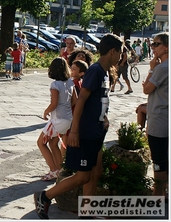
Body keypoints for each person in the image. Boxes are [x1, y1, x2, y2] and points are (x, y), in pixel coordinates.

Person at [33, 34, 123, 219]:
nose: (121, 56)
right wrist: (74, 130)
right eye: (120, 52)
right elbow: (81, 100)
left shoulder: (105, 72)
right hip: (86, 131)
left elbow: (99, 100)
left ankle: (87, 212)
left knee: (96, 171)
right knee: (83, 175)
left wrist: (103, 117)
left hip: (97, 130)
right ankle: (45, 196)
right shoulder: (96, 71)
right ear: (113, 51)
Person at [37, 57, 77, 181]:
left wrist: (46, 111)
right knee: (53, 143)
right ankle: (60, 171)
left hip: (57, 119)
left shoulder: (55, 84)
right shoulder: (70, 82)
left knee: (41, 143)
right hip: (68, 119)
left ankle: (53, 170)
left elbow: (53, 103)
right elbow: (75, 100)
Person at [142, 32, 168, 197]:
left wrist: (151, 69)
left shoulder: (162, 68)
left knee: (158, 159)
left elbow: (146, 89)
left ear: (167, 47)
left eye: (156, 44)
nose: (152, 47)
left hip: (160, 118)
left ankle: (158, 193)